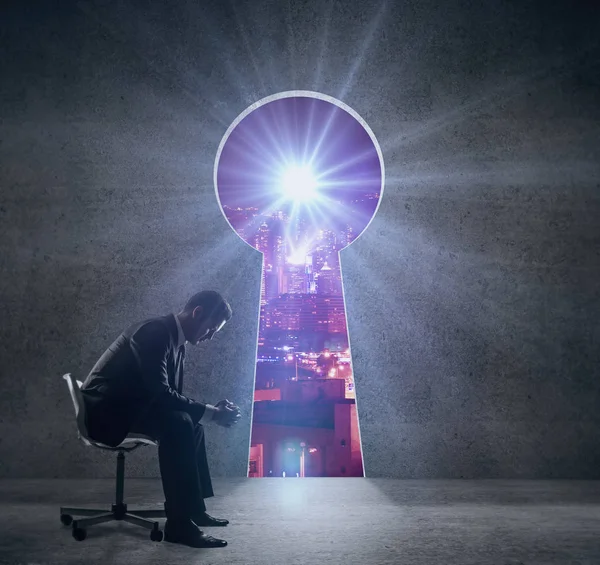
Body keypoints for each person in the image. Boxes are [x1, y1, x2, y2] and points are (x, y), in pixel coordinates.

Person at [80, 290, 241, 548]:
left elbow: (171, 396)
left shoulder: (175, 341)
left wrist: (213, 409)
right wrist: (212, 413)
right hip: (105, 415)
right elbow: (161, 394)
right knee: (179, 424)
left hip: (127, 407)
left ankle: (193, 510)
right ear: (197, 313)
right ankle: (178, 525)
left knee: (191, 425)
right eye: (210, 329)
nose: (209, 337)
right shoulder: (155, 333)